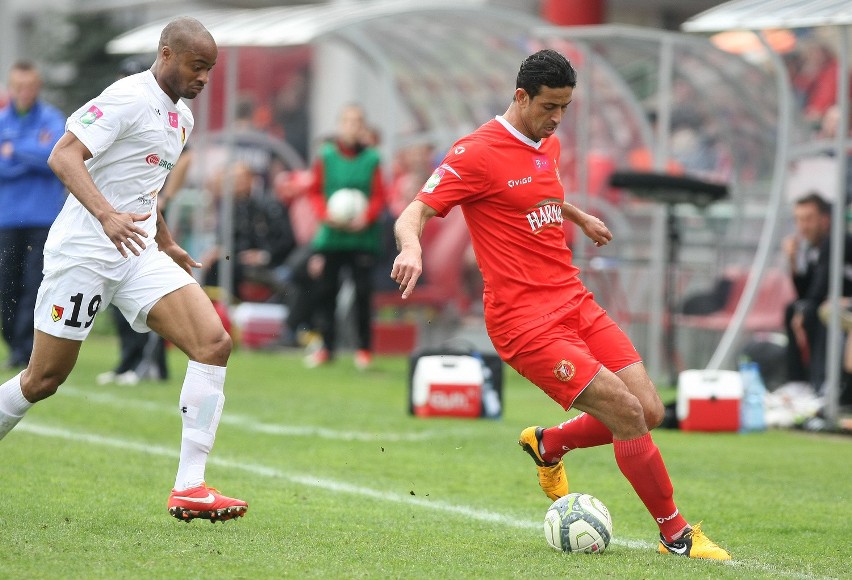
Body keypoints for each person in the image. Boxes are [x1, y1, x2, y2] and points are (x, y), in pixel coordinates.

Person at [391, 49, 730, 560]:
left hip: (574, 301)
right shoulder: (474, 153)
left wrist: (577, 215)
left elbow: (530, 191)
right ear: (521, 96)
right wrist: (412, 246)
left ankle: (549, 444)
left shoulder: (543, 143)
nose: (556, 119)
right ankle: (676, 535)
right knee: (625, 411)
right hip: (525, 323)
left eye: (565, 108)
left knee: (651, 409)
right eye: (549, 107)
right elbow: (415, 210)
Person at [0, 17, 248, 523]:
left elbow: (143, 189)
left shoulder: (183, 119)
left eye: (210, 70)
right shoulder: (127, 97)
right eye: (197, 66)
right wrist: (106, 215)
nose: (203, 78)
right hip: (84, 252)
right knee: (44, 378)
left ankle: (190, 487)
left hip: (136, 252)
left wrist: (168, 242)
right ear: (167, 54)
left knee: (213, 342)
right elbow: (63, 155)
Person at [305, 104, 386, 369]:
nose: (353, 126)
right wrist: (325, 214)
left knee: (363, 294)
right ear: (340, 125)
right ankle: (326, 348)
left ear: (363, 127)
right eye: (348, 121)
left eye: (358, 121)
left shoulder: (372, 158)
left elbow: (378, 196)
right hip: (331, 236)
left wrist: (367, 217)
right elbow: (315, 191)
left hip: (362, 237)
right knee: (326, 292)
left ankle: (364, 349)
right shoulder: (326, 155)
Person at [0, 61, 67, 370]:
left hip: (42, 220)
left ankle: (25, 348)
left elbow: (55, 157)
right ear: (10, 89)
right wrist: (32, 153)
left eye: (29, 86)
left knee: (34, 286)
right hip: (7, 220)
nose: (24, 93)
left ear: (37, 87)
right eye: (18, 87)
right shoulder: (3, 120)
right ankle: (13, 341)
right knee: (6, 287)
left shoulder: (53, 120)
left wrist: (14, 151)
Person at [782, 192, 852, 392]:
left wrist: (803, 311)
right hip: (834, 304)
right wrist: (793, 262)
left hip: (844, 305)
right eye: (799, 220)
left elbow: (818, 291)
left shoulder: (837, 242)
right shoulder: (812, 248)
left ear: (825, 220)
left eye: (808, 219)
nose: (803, 226)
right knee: (793, 309)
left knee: (817, 311)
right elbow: (804, 294)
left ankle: (823, 385)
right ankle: (798, 383)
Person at [200, 161, 296, 301]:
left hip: (267, 263)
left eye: (240, 178)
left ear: (251, 179)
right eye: (233, 179)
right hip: (235, 259)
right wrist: (219, 251)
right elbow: (230, 242)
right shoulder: (231, 209)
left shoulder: (269, 206)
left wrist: (264, 255)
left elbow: (286, 240)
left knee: (227, 266)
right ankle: (217, 309)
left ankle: (230, 309)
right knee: (215, 264)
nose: (236, 183)